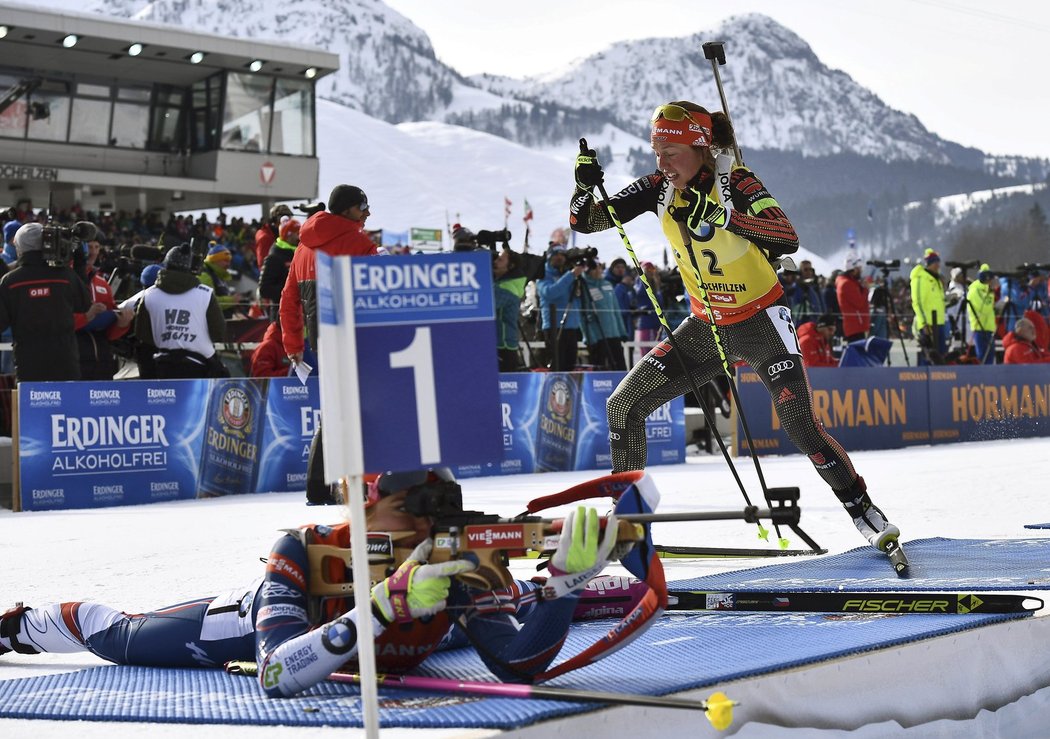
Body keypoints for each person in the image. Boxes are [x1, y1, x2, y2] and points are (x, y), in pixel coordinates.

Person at [567, 100, 901, 554]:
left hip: (760, 321)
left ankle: (863, 509)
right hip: (705, 327)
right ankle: (629, 524)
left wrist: (728, 218)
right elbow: (585, 221)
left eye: (671, 151)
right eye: (656, 150)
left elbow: (786, 236)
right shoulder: (657, 188)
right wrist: (584, 187)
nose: (661, 161)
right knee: (623, 406)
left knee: (801, 425)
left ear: (700, 146)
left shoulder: (736, 181)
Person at [0, 469, 624, 697]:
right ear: (364, 505)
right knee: (119, 636)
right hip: (252, 632)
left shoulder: (453, 553)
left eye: (435, 510)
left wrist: (567, 585)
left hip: (405, 649)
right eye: (410, 509)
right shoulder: (301, 547)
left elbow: (520, 665)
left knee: (497, 615)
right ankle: (19, 626)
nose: (424, 526)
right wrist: (384, 606)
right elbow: (273, 675)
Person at [281, 184, 378, 505]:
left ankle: (320, 487)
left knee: (336, 411)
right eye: (363, 205)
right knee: (365, 411)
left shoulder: (302, 248)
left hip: (321, 342)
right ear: (347, 209)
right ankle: (368, 488)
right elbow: (377, 296)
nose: (367, 212)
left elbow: (288, 301)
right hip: (358, 340)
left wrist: (293, 343)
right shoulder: (359, 243)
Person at [0, 223, 99, 382]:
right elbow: (84, 304)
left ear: (19, 247)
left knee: (32, 406)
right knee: (67, 406)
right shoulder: (65, 275)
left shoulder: (10, 282)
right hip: (65, 362)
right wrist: (79, 263)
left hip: (28, 364)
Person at [133, 243, 227, 379]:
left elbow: (143, 335)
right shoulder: (205, 294)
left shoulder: (148, 295)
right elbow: (218, 333)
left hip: (162, 367)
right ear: (190, 267)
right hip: (200, 367)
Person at [75, 239, 135, 380]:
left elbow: (110, 334)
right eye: (89, 247)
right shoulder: (67, 279)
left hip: (101, 361)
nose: (94, 252)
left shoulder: (102, 283)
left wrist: (122, 324)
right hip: (72, 360)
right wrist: (87, 316)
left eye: (97, 247)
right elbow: (58, 321)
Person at [536, 245, 585, 371]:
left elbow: (577, 299)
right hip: (554, 327)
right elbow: (550, 293)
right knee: (557, 366)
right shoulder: (542, 275)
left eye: (562, 255)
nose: (560, 258)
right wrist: (571, 275)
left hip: (571, 326)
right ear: (549, 257)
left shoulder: (567, 273)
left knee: (570, 366)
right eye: (556, 255)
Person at [580, 259, 628, 371]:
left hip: (614, 334)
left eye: (600, 267)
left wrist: (622, 331)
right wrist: (589, 337)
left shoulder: (607, 284)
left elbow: (616, 310)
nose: (599, 270)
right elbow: (583, 315)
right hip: (598, 336)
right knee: (599, 369)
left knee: (620, 367)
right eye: (595, 267)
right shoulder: (584, 286)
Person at [258, 217, 300, 321]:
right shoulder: (275, 257)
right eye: (297, 233)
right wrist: (290, 291)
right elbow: (264, 289)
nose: (300, 236)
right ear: (289, 235)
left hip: (298, 312)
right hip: (280, 315)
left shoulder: (298, 253)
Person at [492, 247, 527, 372]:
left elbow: (488, 306)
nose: (495, 262)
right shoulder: (503, 284)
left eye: (500, 260)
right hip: (504, 344)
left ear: (510, 266)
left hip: (503, 345)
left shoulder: (506, 287)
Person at [910, 248, 946, 365]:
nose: (938, 265)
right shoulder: (921, 278)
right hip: (929, 324)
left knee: (940, 356)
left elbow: (938, 301)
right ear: (930, 263)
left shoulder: (937, 279)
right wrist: (924, 323)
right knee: (928, 356)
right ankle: (923, 379)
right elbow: (917, 302)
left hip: (939, 322)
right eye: (936, 263)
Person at [966, 264, 997, 364]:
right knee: (982, 357)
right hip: (979, 328)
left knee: (990, 357)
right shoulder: (975, 291)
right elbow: (984, 309)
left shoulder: (987, 291)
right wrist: (991, 294)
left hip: (989, 328)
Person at [836, 256, 870, 343]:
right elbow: (859, 303)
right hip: (855, 325)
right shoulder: (847, 284)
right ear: (853, 269)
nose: (861, 271)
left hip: (856, 324)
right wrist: (865, 289)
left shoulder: (849, 282)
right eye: (858, 269)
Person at [255, 204, 294, 269]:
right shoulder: (265, 237)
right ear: (276, 219)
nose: (289, 223)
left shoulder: (282, 235)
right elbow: (263, 265)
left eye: (289, 219)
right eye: (285, 219)